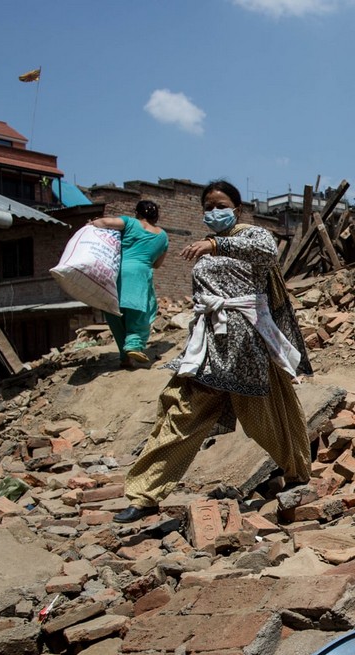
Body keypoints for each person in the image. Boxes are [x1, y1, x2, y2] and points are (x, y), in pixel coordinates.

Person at [113, 180, 314, 523]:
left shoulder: (253, 235)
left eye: (220, 204)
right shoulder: (208, 247)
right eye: (207, 207)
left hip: (247, 346)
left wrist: (215, 243)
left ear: (237, 207)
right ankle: (145, 494)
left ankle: (296, 472)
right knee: (180, 410)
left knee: (270, 414)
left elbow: (265, 255)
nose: (213, 211)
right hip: (209, 343)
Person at [88, 201, 169, 368]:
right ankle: (132, 345)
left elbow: (104, 222)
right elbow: (158, 264)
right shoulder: (163, 236)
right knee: (138, 312)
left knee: (114, 313)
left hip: (116, 273)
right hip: (141, 274)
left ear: (137, 213)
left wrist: (92, 223)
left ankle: (125, 357)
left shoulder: (130, 222)